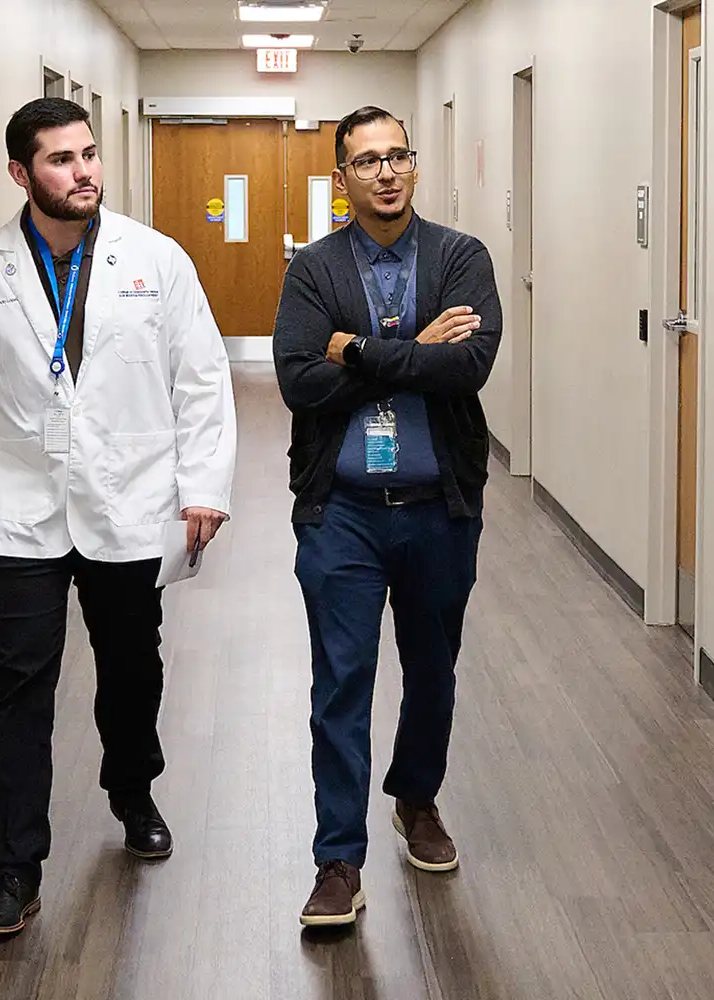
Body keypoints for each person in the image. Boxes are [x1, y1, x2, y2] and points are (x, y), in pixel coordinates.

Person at [0, 97, 236, 941]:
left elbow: (200, 377)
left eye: (89, 154)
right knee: (17, 684)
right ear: (21, 174)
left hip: (128, 500)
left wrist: (203, 486)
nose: (84, 170)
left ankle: (133, 788)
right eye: (61, 159)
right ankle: (12, 870)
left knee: (132, 669)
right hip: (16, 510)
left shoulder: (155, 260)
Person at [272, 106, 502, 928]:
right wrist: (410, 356)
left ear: (414, 164)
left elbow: (468, 364)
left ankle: (416, 800)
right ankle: (337, 858)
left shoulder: (459, 257)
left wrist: (356, 350)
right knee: (341, 683)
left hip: (440, 510)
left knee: (433, 672)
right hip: (343, 515)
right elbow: (298, 381)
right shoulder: (315, 270)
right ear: (342, 178)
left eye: (397, 155)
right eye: (366, 161)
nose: (386, 172)